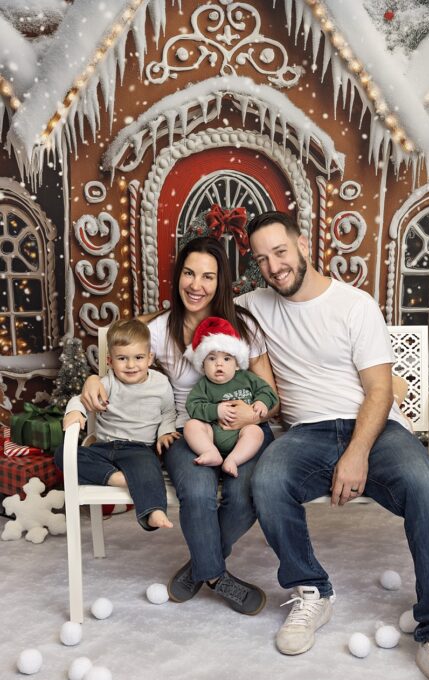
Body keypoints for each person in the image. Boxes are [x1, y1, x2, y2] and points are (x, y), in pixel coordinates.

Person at [240, 211, 429, 680]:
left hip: (372, 427)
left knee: (426, 487)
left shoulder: (353, 304)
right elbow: (182, 319)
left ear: (302, 244)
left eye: (281, 252)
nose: (274, 266)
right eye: (262, 259)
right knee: (268, 479)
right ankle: (312, 591)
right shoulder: (252, 308)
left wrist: (356, 453)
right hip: (305, 433)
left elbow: (377, 391)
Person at [78, 237, 275, 616]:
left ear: (221, 282)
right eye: (188, 273)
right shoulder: (157, 329)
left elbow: (271, 396)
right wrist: (91, 379)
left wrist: (252, 416)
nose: (196, 285)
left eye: (207, 276)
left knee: (245, 492)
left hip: (244, 430)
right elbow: (121, 368)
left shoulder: (243, 327)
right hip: (189, 429)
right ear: (177, 276)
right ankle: (217, 575)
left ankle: (200, 566)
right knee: (198, 492)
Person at [58, 318, 177, 531]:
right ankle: (117, 478)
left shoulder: (160, 384)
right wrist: (75, 410)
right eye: (122, 358)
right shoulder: (108, 382)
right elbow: (82, 398)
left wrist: (165, 432)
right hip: (103, 447)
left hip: (138, 449)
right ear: (110, 361)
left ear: (150, 358)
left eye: (138, 357)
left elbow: (168, 411)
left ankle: (154, 511)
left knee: (149, 468)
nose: (131, 365)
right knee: (62, 455)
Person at [183, 316, 279, 477]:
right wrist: (216, 410)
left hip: (242, 433)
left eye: (227, 359)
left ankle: (233, 459)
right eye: (212, 359)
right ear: (202, 364)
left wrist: (262, 402)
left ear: (236, 364)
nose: (219, 364)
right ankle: (210, 452)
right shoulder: (204, 385)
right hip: (213, 433)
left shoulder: (246, 378)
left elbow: (267, 391)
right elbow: (193, 406)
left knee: (256, 432)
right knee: (191, 425)